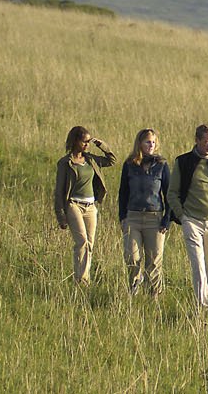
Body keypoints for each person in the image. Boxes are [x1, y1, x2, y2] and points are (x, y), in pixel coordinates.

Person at [168, 123, 208, 311]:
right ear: (197, 141)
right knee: (199, 267)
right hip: (192, 220)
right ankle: (203, 307)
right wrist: (182, 216)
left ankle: (207, 305)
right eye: (206, 142)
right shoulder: (184, 162)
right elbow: (172, 193)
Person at [52, 126, 116, 286]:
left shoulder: (91, 159)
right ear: (75, 141)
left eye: (88, 141)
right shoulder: (65, 163)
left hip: (91, 206)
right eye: (84, 141)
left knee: (90, 244)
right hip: (74, 204)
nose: (87, 144)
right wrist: (61, 216)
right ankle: (81, 281)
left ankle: (83, 278)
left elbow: (111, 161)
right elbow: (59, 191)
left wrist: (101, 145)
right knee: (82, 242)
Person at [117, 128, 171, 297]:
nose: (151, 145)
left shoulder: (161, 165)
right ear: (139, 143)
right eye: (148, 142)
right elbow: (123, 192)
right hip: (133, 216)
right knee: (131, 257)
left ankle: (153, 296)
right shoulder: (129, 165)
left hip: (154, 217)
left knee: (154, 261)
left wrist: (166, 219)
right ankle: (134, 283)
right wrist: (122, 217)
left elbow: (168, 193)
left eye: (154, 142)